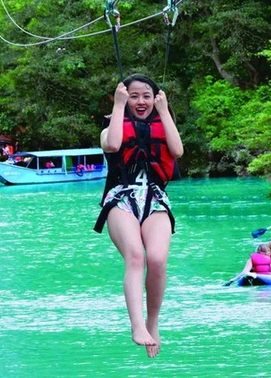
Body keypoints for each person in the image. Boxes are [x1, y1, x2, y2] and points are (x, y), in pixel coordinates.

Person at [93, 74, 183, 358]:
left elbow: (177, 151)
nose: (140, 101)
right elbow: (113, 146)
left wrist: (165, 110)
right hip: (121, 197)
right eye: (134, 96)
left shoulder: (162, 121)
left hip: (155, 197)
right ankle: (136, 325)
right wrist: (118, 105)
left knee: (156, 259)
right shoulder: (111, 125)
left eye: (146, 95)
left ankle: (152, 323)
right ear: (124, 97)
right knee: (136, 256)